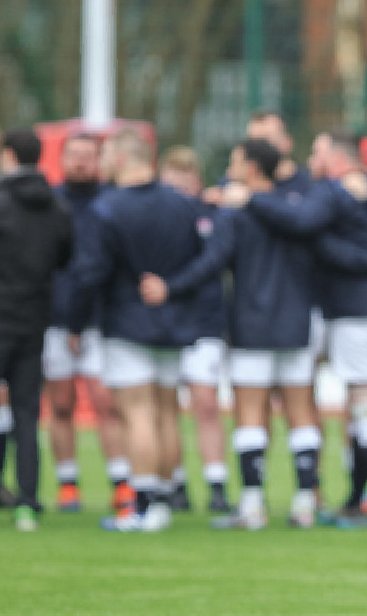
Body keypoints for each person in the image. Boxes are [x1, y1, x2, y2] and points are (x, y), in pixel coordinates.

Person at [142, 138, 321, 530]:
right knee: (301, 412)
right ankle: (305, 502)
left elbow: (212, 262)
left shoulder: (237, 211)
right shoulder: (298, 206)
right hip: (295, 324)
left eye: (235, 162)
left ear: (252, 168)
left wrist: (171, 286)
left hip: (251, 325)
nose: (230, 169)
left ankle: (253, 507)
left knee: (250, 413)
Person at [242, 129, 367, 527]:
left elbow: (306, 227)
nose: (310, 159)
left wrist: (253, 198)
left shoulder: (330, 191)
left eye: (317, 151)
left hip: (358, 314)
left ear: (336, 158)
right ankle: (359, 498)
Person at [69, 127, 208, 532]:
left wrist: (75, 324)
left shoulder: (106, 207)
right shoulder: (182, 205)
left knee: (138, 414)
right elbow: (203, 261)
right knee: (166, 412)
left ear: (122, 157)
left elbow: (90, 272)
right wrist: (173, 291)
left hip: (127, 322)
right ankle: (163, 501)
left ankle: (143, 506)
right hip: (172, 321)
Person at [45, 132, 130, 514]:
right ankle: (67, 484)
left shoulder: (112, 204)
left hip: (100, 321)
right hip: (54, 319)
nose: (80, 162)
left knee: (106, 404)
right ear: (62, 159)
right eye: (73, 155)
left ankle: (122, 482)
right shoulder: (48, 203)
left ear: (100, 160)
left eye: (87, 156)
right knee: (60, 404)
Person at [0, 128, 74, 531]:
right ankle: (28, 500)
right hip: (35, 319)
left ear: (9, 154)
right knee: (27, 412)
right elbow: (65, 257)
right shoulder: (56, 206)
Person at [158, 145, 232, 513]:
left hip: (203, 322)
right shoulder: (158, 218)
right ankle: (175, 483)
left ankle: (216, 483)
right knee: (166, 406)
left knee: (205, 403)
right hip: (164, 324)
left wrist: (172, 285)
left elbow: (214, 260)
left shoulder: (211, 215)